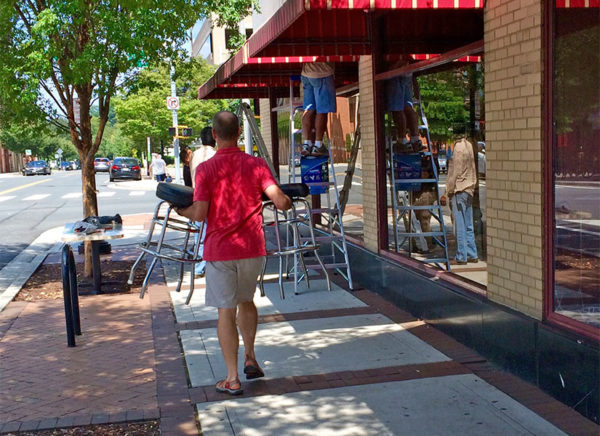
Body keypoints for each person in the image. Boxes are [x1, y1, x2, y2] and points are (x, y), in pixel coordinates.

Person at [176, 111, 292, 396]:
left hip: (220, 250)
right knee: (247, 301)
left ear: (214, 135)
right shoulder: (256, 165)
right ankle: (251, 358)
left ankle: (231, 377)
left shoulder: (205, 169)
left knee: (225, 311)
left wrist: (181, 210)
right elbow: (280, 201)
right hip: (252, 247)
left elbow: (200, 213)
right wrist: (286, 199)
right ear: (239, 132)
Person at [440, 126, 478, 265]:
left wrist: (447, 191)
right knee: (469, 223)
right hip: (469, 189)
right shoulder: (469, 146)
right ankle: (472, 253)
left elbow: (455, 172)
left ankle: (462, 255)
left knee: (460, 224)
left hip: (460, 188)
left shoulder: (458, 148)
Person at [189, 126, 217, 277]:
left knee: (198, 235)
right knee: (209, 234)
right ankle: (205, 265)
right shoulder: (215, 155)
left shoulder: (195, 154)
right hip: (211, 199)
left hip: (195, 196)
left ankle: (198, 265)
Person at [385, 58, 421, 152]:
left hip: (395, 70)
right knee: (407, 107)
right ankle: (415, 140)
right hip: (407, 71)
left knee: (398, 109)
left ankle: (402, 141)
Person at [300, 62, 336, 157]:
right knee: (322, 110)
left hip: (306, 73)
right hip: (322, 72)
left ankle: (307, 144)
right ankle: (318, 145)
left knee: (308, 109)